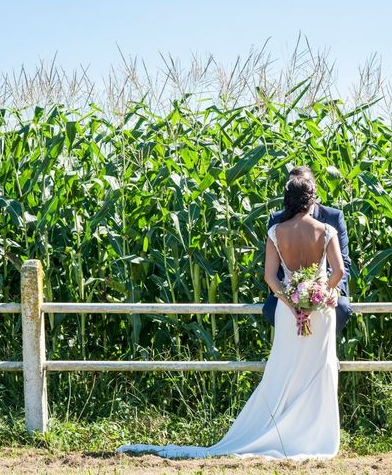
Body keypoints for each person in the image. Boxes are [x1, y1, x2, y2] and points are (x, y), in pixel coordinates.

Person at [117, 174, 344, 459]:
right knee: (316, 370)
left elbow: (270, 277)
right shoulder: (326, 231)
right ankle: (313, 436)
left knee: (284, 369)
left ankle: (278, 430)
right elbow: (339, 272)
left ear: (287, 200)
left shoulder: (276, 232)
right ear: (312, 200)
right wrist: (319, 294)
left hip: (289, 313)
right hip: (320, 313)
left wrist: (291, 301)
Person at [263, 166, 352, 334]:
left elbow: (344, 262)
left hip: (326, 287)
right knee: (269, 309)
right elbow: (274, 269)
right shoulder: (277, 220)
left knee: (342, 307)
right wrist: (293, 294)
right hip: (289, 288)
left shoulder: (333, 216)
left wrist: (333, 289)